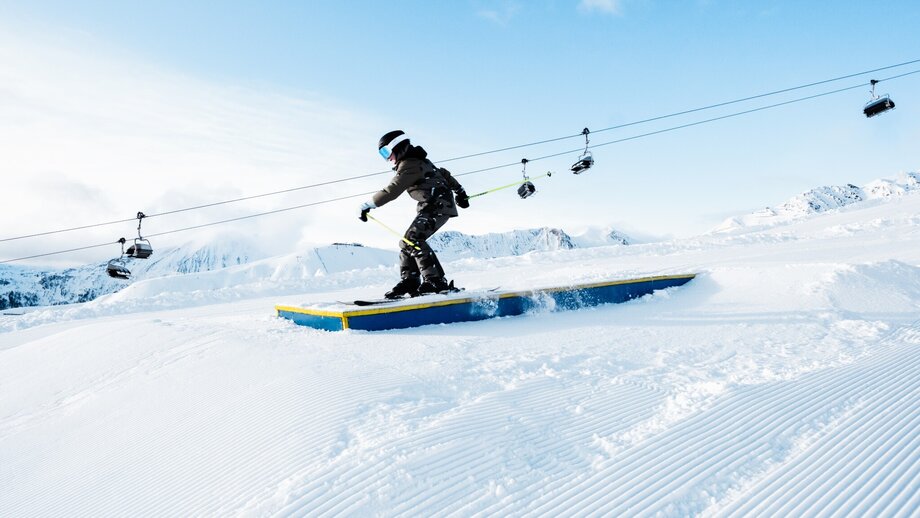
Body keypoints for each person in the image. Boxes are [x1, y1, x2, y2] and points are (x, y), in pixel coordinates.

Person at [359, 130, 470, 299]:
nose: (387, 158)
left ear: (398, 147)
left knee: (413, 240)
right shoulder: (420, 161)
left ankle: (435, 281)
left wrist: (369, 205)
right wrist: (460, 192)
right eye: (383, 155)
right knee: (406, 242)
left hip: (436, 206)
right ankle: (410, 280)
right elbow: (444, 174)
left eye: (386, 152)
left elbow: (392, 190)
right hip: (435, 206)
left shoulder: (409, 165)